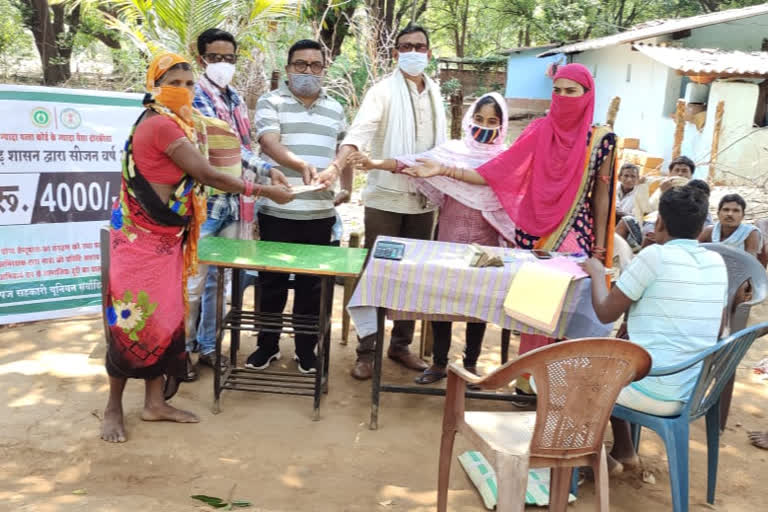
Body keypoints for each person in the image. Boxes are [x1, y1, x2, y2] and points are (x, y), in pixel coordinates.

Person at [101, 53, 293, 443]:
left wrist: (262, 169)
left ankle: (154, 403)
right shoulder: (159, 126)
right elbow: (206, 173)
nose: (184, 90)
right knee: (129, 321)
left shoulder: (184, 124)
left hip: (166, 241)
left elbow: (231, 149)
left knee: (166, 320)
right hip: (140, 244)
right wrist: (264, 191)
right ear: (154, 85)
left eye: (190, 84)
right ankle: (113, 407)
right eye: (175, 82)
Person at [406, 63, 616, 392]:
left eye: (570, 91)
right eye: (556, 90)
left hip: (577, 235)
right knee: (537, 313)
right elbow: (496, 172)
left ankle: (564, 387)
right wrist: (443, 169)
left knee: (570, 311)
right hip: (535, 233)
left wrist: (601, 249)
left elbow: (601, 196)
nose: (562, 97)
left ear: (587, 95)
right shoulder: (538, 130)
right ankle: (528, 384)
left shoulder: (602, 139)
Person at [349, 93, 513, 384]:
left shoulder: (506, 158)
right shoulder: (452, 151)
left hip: (487, 241)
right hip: (449, 238)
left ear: (502, 125)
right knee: (444, 302)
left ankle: (471, 365)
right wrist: (374, 163)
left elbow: (510, 190)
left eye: (492, 121)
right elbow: (409, 162)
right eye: (478, 119)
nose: (483, 126)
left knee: (479, 304)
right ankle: (439, 363)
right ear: (468, 119)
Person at [330, 24, 448, 380]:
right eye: (406, 46)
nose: (413, 51)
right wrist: (339, 163)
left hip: (424, 199)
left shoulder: (436, 93)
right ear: (396, 53)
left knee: (413, 274)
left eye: (420, 46)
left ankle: (400, 345)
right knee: (377, 272)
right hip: (385, 197)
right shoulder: (382, 91)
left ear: (429, 52)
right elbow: (360, 132)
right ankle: (367, 350)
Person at [581, 184, 728, 471]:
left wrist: (598, 273)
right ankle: (624, 450)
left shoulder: (654, 257)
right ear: (702, 228)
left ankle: (588, 460)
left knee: (585, 369)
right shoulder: (716, 261)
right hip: (693, 388)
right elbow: (718, 325)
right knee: (620, 357)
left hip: (654, 389)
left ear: (659, 221)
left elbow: (604, 313)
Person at [245, 39, 349, 374]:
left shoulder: (336, 107)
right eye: (300, 65)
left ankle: (306, 350)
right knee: (271, 284)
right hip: (277, 212)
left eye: (315, 65)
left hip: (320, 214)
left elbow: (344, 152)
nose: (308, 71)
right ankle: (267, 346)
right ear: (288, 68)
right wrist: (300, 164)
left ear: (324, 69)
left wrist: (346, 187)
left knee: (312, 287)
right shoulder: (271, 101)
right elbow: (268, 142)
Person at [187, 28, 286, 373]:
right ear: (201, 59)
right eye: (215, 58)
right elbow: (222, 148)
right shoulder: (195, 94)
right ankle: (183, 353)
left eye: (229, 58)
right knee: (193, 284)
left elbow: (244, 147)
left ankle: (210, 346)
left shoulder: (236, 99)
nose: (223, 64)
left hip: (236, 203)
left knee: (219, 280)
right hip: (205, 203)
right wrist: (266, 174)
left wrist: (265, 172)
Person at [616, 155, 695, 250]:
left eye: (684, 171)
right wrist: (643, 187)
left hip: (675, 233)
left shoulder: (694, 192)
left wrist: (666, 194)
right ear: (670, 174)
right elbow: (647, 211)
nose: (680, 174)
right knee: (626, 221)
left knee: (651, 236)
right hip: (652, 227)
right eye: (676, 170)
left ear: (691, 175)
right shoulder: (663, 188)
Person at [699, 193, 762, 258]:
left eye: (736, 210)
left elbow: (751, 262)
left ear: (743, 216)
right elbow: (694, 252)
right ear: (718, 214)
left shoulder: (750, 233)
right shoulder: (709, 231)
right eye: (726, 210)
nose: (730, 214)